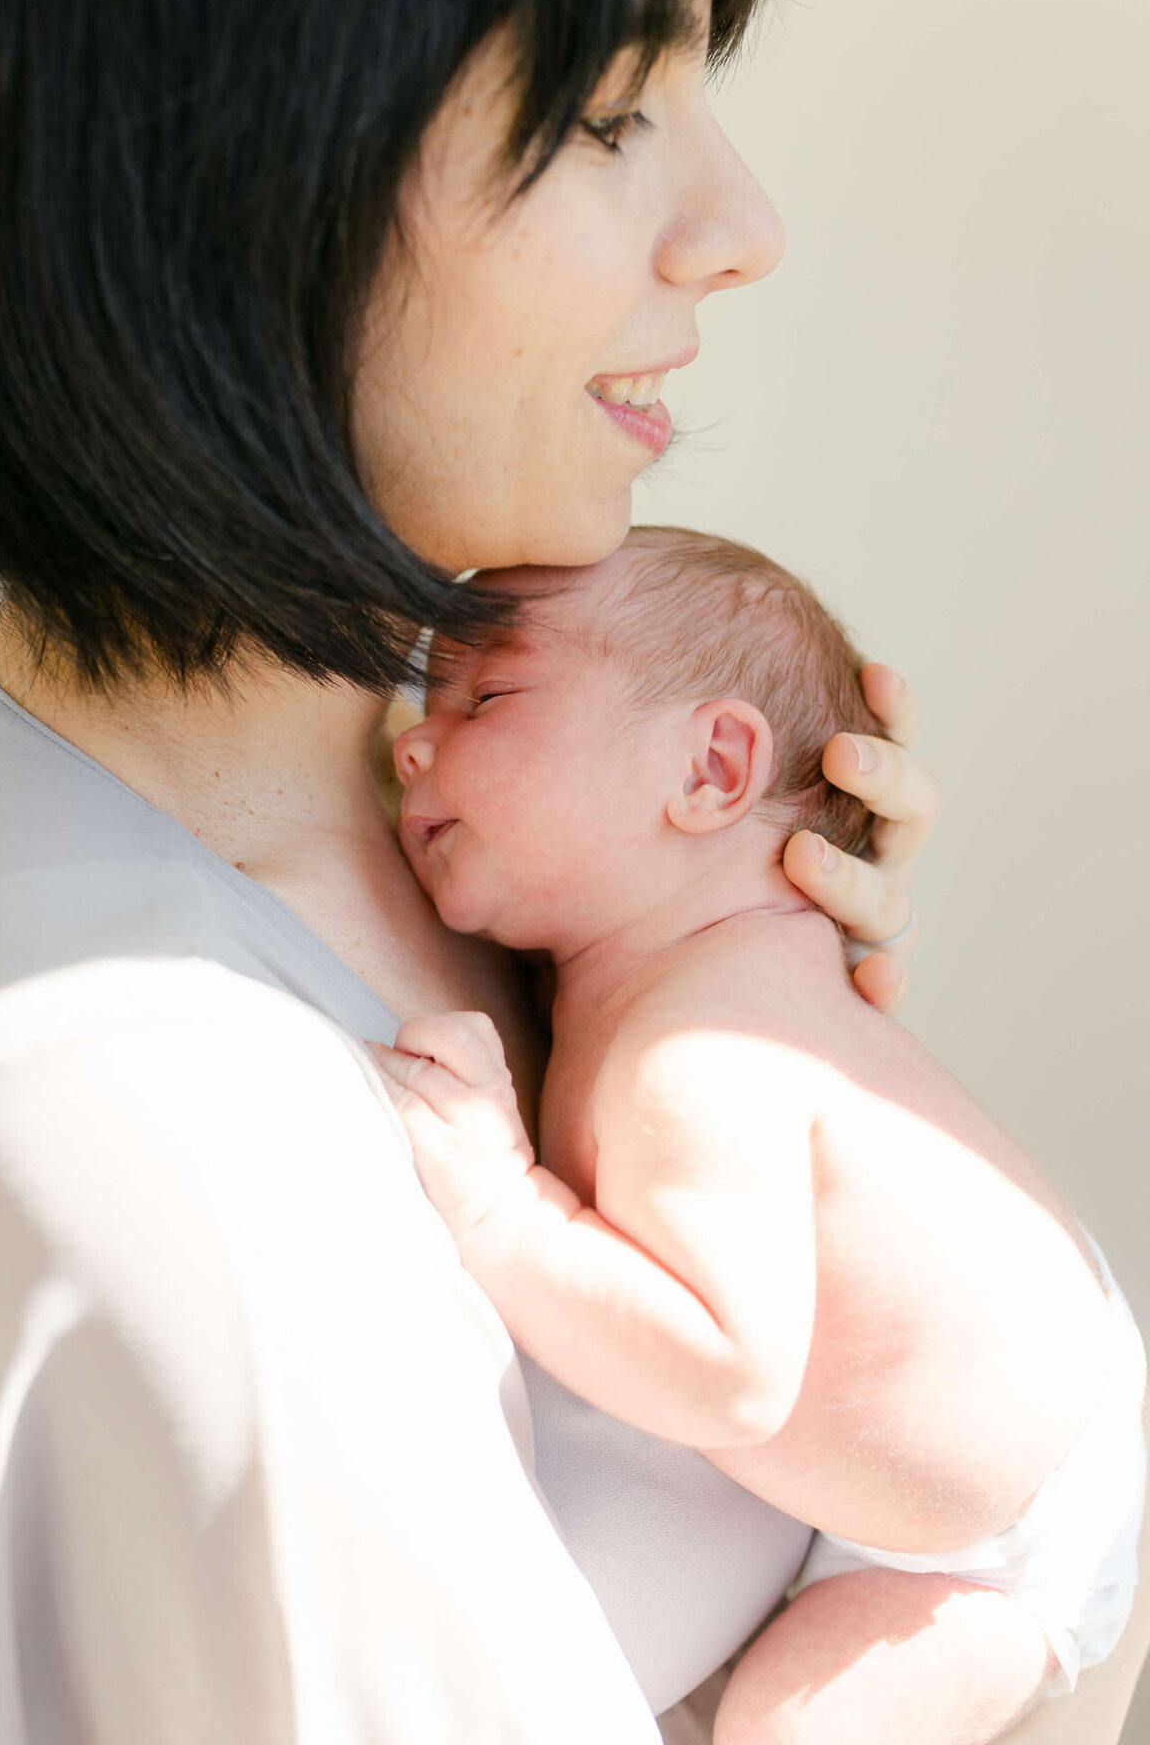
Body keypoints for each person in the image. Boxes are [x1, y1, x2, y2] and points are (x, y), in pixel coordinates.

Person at [0, 0, 1142, 1741]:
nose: (744, 226)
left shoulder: (476, 810)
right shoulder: (179, 1148)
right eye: (607, 114)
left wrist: (736, 993)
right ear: (236, 182)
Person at [376, 527, 1147, 1742]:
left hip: (990, 1532)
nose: (414, 740)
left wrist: (500, 1207)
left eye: (486, 696)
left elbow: (726, 1374)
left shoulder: (700, 1055)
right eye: (426, 704)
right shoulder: (695, 966)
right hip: (999, 1372)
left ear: (713, 769)